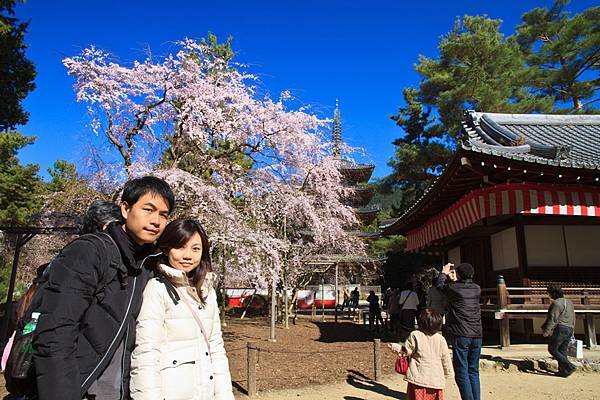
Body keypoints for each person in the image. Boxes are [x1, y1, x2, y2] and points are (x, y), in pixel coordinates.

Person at [33, 176, 174, 400]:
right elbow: (55, 333)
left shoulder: (149, 264)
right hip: (83, 388)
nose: (156, 220)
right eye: (148, 209)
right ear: (126, 209)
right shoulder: (89, 252)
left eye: (163, 215)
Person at [130, 219, 234, 399]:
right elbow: (146, 354)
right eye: (180, 247)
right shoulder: (157, 289)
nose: (188, 255)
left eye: (195, 249)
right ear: (167, 248)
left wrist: (225, 395)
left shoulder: (207, 291)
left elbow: (216, 350)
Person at [436, 262, 482, 400]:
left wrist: (443, 273)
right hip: (477, 333)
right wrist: (456, 279)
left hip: (461, 333)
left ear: (459, 275)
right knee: (473, 371)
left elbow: (440, 286)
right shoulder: (477, 288)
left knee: (462, 371)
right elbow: (459, 288)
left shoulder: (454, 288)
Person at [389, 309, 453, 400]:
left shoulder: (415, 335)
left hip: (418, 377)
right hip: (436, 379)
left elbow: (407, 351)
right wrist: (448, 373)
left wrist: (396, 347)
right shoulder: (441, 339)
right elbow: (446, 358)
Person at [542, 284, 576, 377]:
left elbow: (552, 318)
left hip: (561, 328)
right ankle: (563, 371)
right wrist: (573, 329)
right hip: (570, 327)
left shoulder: (556, 303)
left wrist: (546, 331)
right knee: (562, 350)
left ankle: (569, 366)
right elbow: (573, 317)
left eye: (548, 293)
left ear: (553, 294)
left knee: (552, 349)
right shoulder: (569, 302)